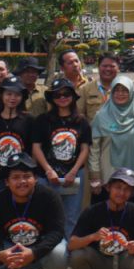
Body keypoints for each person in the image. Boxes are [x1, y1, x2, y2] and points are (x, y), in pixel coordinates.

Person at [68, 167, 134, 269]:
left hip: (123, 258)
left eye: (127, 189)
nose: (122, 193)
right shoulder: (92, 211)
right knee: (77, 255)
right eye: (118, 187)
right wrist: (93, 236)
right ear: (108, 188)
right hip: (98, 260)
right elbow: (71, 244)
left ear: (131, 193)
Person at [32, 77, 92, 235]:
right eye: (58, 95)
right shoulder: (43, 120)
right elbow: (36, 147)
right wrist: (48, 170)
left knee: (71, 215)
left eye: (66, 94)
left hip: (73, 174)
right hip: (47, 176)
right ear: (52, 98)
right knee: (46, 215)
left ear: (73, 96)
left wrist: (73, 171)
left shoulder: (81, 121)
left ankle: (67, 252)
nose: (62, 98)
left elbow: (85, 148)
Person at [88, 76, 134, 203]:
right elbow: (94, 149)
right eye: (117, 90)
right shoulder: (101, 116)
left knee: (133, 214)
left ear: (132, 92)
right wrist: (95, 176)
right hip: (109, 176)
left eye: (125, 90)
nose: (120, 94)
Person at [0, 75, 33, 186]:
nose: (12, 98)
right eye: (9, 94)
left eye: (17, 95)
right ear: (1, 95)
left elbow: (33, 150)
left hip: (21, 177)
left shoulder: (29, 120)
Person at [57, 50, 105, 122]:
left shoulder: (92, 84)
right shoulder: (56, 88)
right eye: (70, 63)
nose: (75, 65)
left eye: (77, 61)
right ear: (62, 68)